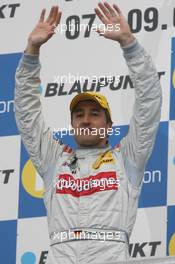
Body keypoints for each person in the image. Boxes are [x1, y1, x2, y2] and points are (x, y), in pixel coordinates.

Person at [14, 2, 162, 263]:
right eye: (79, 115)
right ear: (72, 125)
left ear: (108, 126)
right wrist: (31, 52)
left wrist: (129, 43)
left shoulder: (126, 159)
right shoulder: (54, 160)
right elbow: (28, 116)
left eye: (95, 114)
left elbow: (148, 104)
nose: (86, 120)